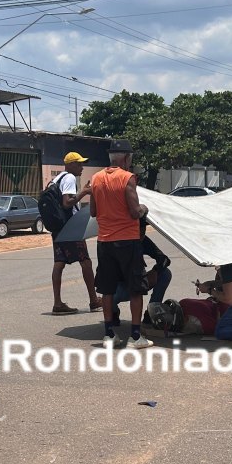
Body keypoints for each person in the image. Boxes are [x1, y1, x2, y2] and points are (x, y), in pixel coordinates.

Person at [89, 140, 152, 348]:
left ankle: (109, 335)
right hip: (127, 240)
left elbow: (93, 212)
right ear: (126, 158)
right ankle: (135, 337)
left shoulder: (95, 179)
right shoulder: (127, 178)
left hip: (104, 241)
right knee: (136, 288)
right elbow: (135, 212)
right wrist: (143, 208)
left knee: (107, 289)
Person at [50, 151, 101, 315]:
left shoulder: (56, 179)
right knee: (86, 261)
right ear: (70, 165)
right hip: (69, 228)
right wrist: (85, 192)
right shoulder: (70, 178)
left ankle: (57, 303)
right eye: (79, 164)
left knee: (59, 263)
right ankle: (94, 300)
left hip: (57, 228)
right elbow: (67, 203)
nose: (81, 167)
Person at [112, 221, 173, 327]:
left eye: (142, 233)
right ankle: (113, 312)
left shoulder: (143, 240)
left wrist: (155, 270)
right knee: (109, 295)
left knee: (165, 274)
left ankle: (151, 312)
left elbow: (164, 259)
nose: (140, 236)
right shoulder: (117, 243)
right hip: (120, 286)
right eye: (137, 233)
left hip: (137, 283)